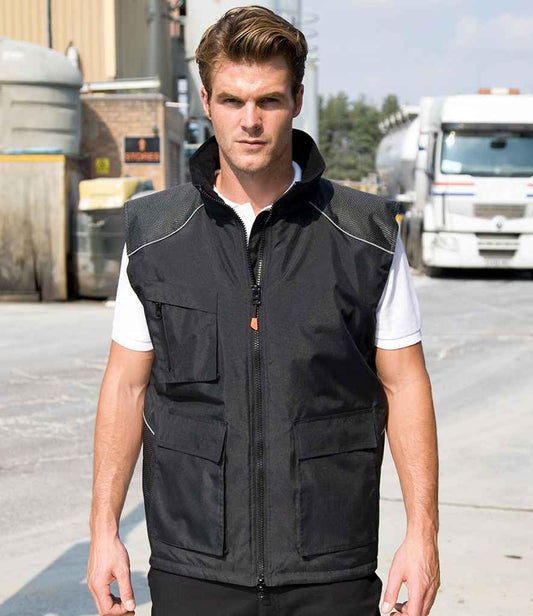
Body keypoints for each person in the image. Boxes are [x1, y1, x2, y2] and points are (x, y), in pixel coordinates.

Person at [87, 6, 440, 616]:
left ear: (297, 99)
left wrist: (423, 534)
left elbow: (404, 383)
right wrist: (103, 532)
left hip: (329, 565)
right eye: (232, 100)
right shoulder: (154, 234)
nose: (249, 121)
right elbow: (126, 385)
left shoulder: (366, 234)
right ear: (206, 101)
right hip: (193, 565)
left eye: (269, 101)